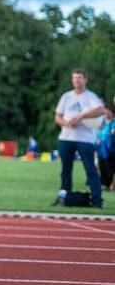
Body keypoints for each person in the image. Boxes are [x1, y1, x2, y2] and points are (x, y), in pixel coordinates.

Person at [54, 69, 105, 208]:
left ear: (85, 79)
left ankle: (97, 200)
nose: (77, 80)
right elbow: (57, 116)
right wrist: (67, 123)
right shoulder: (66, 96)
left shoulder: (90, 96)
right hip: (66, 138)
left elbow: (101, 110)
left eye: (79, 78)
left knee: (90, 169)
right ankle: (64, 198)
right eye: (75, 78)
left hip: (85, 139)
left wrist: (82, 116)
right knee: (65, 170)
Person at [97, 107, 115, 190]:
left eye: (108, 112)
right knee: (102, 165)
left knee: (110, 166)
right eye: (106, 112)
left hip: (111, 148)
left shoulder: (113, 122)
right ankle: (105, 183)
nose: (106, 113)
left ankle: (111, 184)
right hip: (102, 148)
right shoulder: (103, 123)